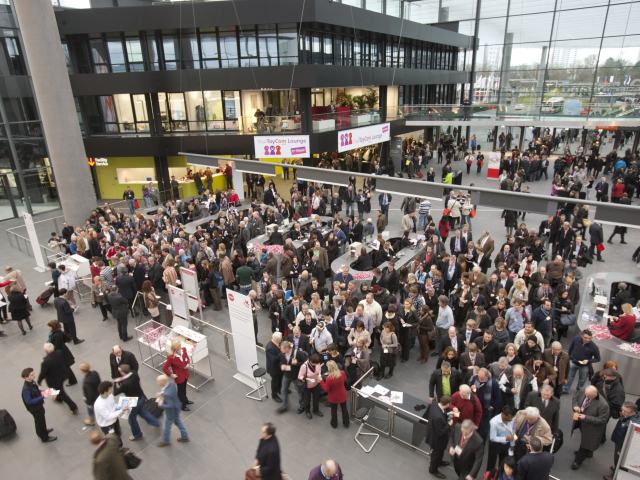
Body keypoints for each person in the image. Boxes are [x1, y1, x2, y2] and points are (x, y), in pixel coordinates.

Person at [114, 363, 161, 441]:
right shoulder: (134, 373)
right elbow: (129, 375)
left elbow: (115, 393)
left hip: (133, 402)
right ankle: (155, 422)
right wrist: (122, 379)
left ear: (122, 372)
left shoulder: (125, 384)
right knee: (142, 412)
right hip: (141, 397)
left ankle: (137, 434)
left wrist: (115, 383)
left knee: (131, 419)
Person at [571, 385, 610, 470]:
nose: (586, 396)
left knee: (585, 443)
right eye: (586, 394)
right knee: (585, 439)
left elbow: (602, 420)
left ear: (595, 394)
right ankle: (589, 453)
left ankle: (577, 462)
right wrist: (575, 406)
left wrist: (585, 417)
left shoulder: (603, 405)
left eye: (589, 396)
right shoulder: (584, 391)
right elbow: (575, 398)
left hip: (592, 427)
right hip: (581, 422)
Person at [38, 342, 78, 414]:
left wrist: (39, 381)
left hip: (54, 380)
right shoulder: (59, 353)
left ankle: (73, 406)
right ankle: (58, 398)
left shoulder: (46, 362)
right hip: (63, 375)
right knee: (59, 390)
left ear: (46, 351)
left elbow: (43, 373)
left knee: (61, 393)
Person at [605, 402, 640, 480]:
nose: (622, 412)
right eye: (622, 410)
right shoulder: (627, 415)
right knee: (617, 459)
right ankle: (616, 467)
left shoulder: (632, 423)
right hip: (619, 440)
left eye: (625, 411)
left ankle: (614, 475)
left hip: (623, 445)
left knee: (619, 460)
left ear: (632, 412)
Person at [21, 367, 57, 442]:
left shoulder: (32, 382)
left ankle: (42, 431)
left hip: (38, 406)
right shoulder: (26, 389)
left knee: (41, 420)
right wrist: (43, 396)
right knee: (40, 421)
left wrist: (46, 391)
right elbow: (29, 401)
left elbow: (37, 391)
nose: (34, 376)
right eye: (31, 375)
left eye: (33, 374)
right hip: (35, 409)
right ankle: (44, 437)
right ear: (25, 377)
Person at [156, 374, 189, 447]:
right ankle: (185, 436)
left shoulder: (167, 394)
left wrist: (161, 405)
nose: (158, 384)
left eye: (158, 382)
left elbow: (170, 405)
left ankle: (165, 441)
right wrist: (162, 394)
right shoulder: (171, 384)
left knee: (166, 427)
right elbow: (168, 392)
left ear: (163, 382)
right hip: (177, 408)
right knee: (179, 422)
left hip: (171, 413)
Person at [565, 329, 600, 394]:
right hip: (573, 362)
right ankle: (565, 389)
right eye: (585, 338)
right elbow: (570, 349)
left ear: (591, 338)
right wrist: (570, 357)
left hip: (584, 366)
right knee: (569, 377)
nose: (587, 340)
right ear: (581, 336)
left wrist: (588, 361)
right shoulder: (576, 339)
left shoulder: (594, 347)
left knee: (582, 380)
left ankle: (579, 391)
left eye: (589, 338)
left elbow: (598, 359)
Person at [426, 395, 452, 479]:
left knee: (440, 452)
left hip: (433, 432)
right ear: (447, 404)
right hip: (437, 440)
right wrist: (449, 424)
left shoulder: (435, 404)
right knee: (436, 454)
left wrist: (448, 414)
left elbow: (441, 413)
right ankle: (433, 469)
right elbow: (441, 432)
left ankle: (439, 462)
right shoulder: (438, 417)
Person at [162, 338, 191, 411]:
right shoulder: (171, 357)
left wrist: (188, 363)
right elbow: (165, 368)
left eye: (180, 346)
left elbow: (187, 358)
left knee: (184, 389)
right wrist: (171, 375)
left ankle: (185, 400)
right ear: (175, 348)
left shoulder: (183, 349)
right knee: (181, 391)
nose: (180, 348)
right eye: (178, 347)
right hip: (179, 377)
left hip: (185, 374)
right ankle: (182, 405)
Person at [47, 319, 77, 386]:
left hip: (61, 354)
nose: (48, 328)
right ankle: (71, 379)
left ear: (53, 326)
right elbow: (67, 339)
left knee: (66, 367)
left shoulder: (56, 335)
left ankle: (73, 381)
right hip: (62, 351)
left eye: (49, 326)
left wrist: (50, 347)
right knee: (66, 367)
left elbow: (56, 347)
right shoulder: (57, 332)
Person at [320, 360, 349, 429]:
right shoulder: (342, 373)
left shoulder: (329, 378)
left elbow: (326, 389)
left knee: (334, 410)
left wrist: (320, 381)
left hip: (333, 397)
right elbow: (344, 380)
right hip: (342, 394)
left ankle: (334, 424)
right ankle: (346, 423)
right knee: (344, 409)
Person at [487, 406, 515, 473]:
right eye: (509, 418)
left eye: (512, 418)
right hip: (495, 445)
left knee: (503, 463)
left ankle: (500, 475)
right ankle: (489, 476)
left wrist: (512, 444)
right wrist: (506, 438)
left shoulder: (512, 419)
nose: (511, 420)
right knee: (491, 464)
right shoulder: (494, 422)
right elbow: (492, 438)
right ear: (503, 415)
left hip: (506, 444)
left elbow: (513, 432)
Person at [298, 352, 324, 419]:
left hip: (316, 384)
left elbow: (319, 371)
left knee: (316, 398)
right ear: (310, 361)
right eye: (315, 363)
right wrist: (308, 379)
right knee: (307, 400)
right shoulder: (304, 366)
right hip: (307, 386)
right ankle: (307, 411)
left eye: (317, 363)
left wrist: (319, 376)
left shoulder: (317, 363)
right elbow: (300, 376)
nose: (316, 365)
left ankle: (316, 410)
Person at [79, 362, 101, 426]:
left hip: (93, 399)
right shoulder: (94, 373)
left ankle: (91, 421)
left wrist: (88, 402)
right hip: (98, 393)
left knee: (90, 410)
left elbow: (90, 394)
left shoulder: (86, 382)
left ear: (82, 371)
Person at [266, 331, 284, 403]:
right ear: (277, 339)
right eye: (281, 339)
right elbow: (273, 360)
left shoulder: (277, 343)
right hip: (274, 369)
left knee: (280, 379)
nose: (282, 339)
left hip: (279, 367)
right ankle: (274, 395)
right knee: (275, 382)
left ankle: (279, 389)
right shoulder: (270, 347)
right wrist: (282, 353)